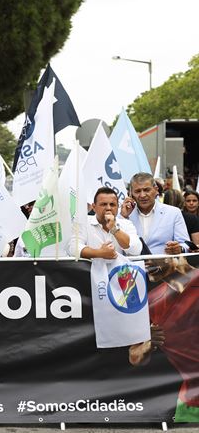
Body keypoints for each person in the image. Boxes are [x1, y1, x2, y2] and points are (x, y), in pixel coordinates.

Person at [128, 256, 199, 422]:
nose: (149, 261)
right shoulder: (151, 303)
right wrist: (147, 344)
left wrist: (177, 265)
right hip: (191, 403)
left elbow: (187, 272)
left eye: (156, 255)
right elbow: (134, 355)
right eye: (146, 258)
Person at [121, 172, 190, 255]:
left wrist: (179, 248)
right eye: (138, 191)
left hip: (164, 266)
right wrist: (123, 218)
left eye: (146, 190)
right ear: (130, 194)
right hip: (131, 266)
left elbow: (186, 244)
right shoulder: (122, 214)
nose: (142, 195)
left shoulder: (173, 213)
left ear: (156, 190)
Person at [73, 187, 142, 259]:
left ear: (118, 206)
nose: (108, 208)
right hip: (90, 269)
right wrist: (99, 253)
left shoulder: (126, 224)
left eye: (112, 204)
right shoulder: (83, 221)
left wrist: (114, 229)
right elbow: (73, 247)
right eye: (103, 204)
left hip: (120, 270)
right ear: (94, 207)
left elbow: (136, 250)